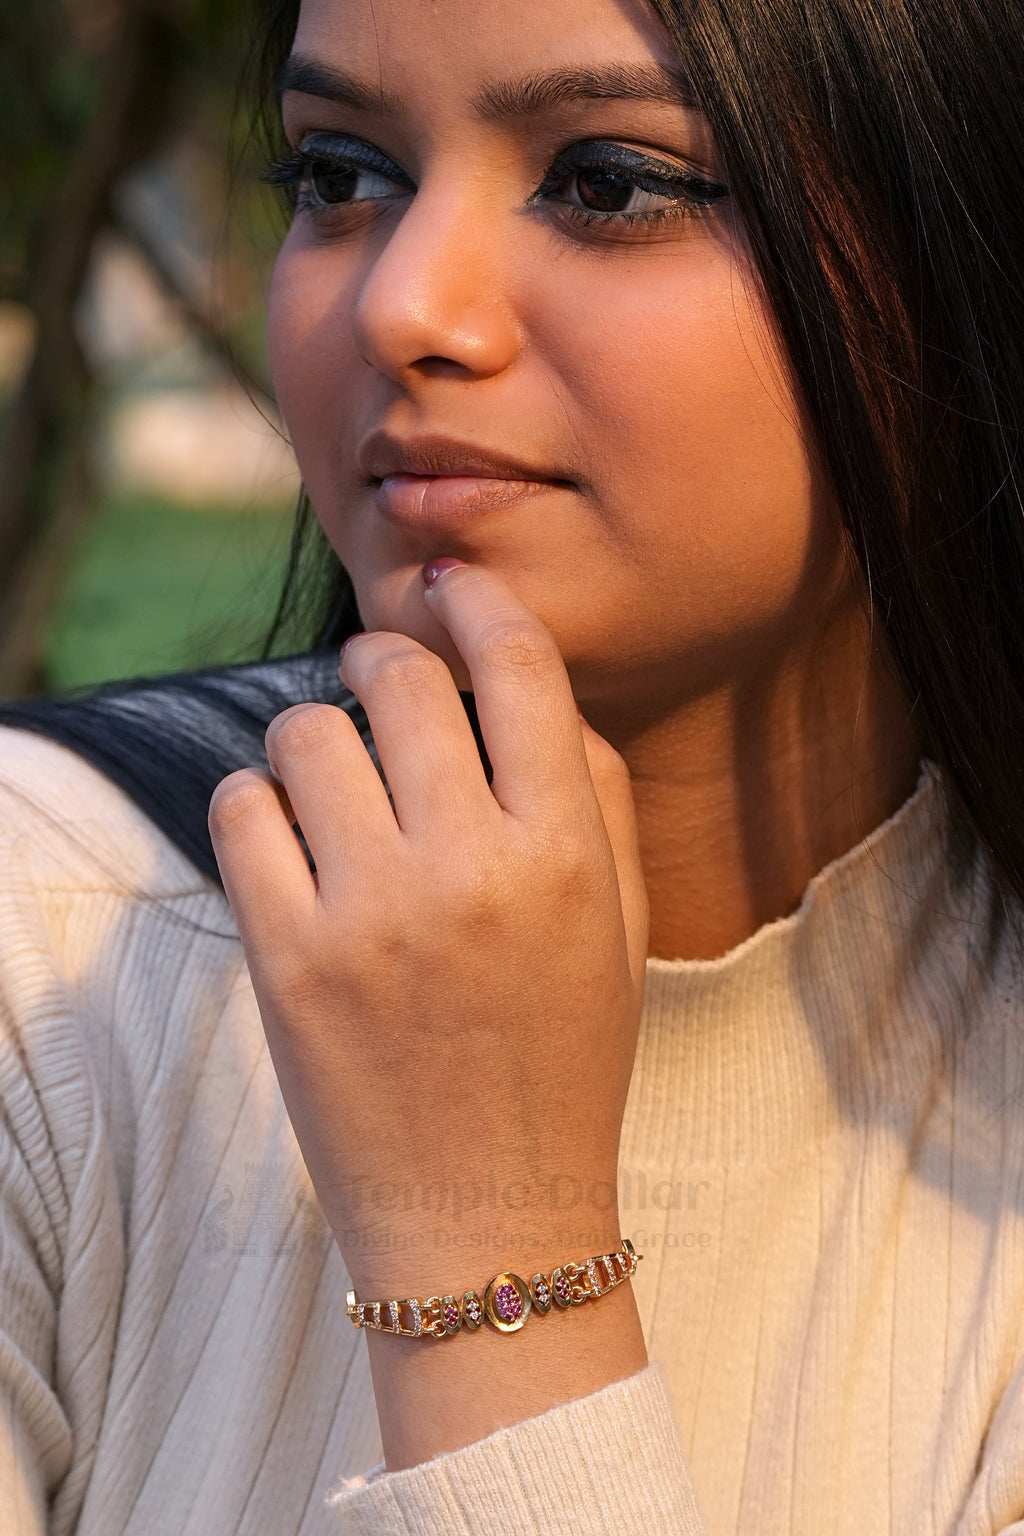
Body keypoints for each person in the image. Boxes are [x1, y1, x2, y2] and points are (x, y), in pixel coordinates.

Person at [1, 0, 1023, 1530]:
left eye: (609, 182)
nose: (406, 304)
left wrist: (493, 1264)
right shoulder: (46, 944)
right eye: (341, 174)